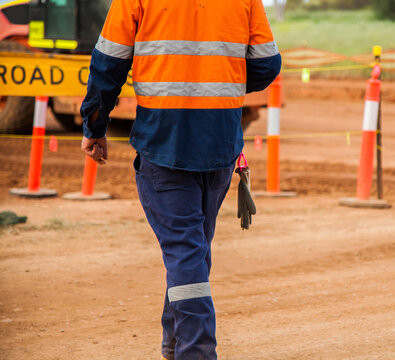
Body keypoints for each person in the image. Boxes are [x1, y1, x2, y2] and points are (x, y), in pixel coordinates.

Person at [79, 0, 281, 358]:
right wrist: (220, 83)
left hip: (165, 142)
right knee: (192, 253)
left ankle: (196, 353)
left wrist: (95, 125)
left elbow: (109, 64)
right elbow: (266, 65)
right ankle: (175, 346)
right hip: (219, 142)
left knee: (186, 254)